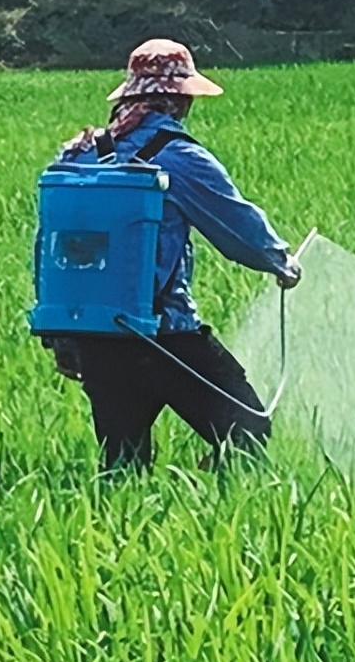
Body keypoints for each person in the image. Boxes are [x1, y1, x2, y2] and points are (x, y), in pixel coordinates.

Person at [44, 38, 301, 471]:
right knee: (247, 430)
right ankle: (212, 512)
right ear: (179, 100)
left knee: (123, 464)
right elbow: (234, 224)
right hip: (166, 335)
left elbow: (54, 249)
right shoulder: (180, 157)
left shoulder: (77, 155)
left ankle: (129, 531)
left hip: (97, 335)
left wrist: (63, 337)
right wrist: (279, 261)